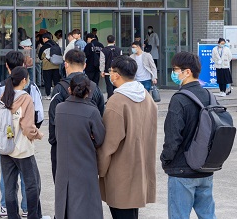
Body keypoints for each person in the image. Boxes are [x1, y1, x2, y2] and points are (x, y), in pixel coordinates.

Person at [98, 55, 158, 219]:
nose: (110, 74)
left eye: (111, 71)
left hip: (120, 173)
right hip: (141, 168)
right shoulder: (145, 95)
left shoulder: (117, 101)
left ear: (116, 75)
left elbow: (109, 144)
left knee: (121, 213)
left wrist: (100, 169)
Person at [0, 51, 45, 217]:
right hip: (22, 148)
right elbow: (27, 127)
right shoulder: (26, 97)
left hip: (6, 146)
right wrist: (37, 134)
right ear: (24, 80)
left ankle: (12, 215)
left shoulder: (3, 93)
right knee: (32, 184)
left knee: (9, 185)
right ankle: (32, 214)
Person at [161, 52, 217, 219]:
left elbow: (172, 137)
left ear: (187, 72)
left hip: (181, 169)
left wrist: (166, 160)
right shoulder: (209, 96)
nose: (173, 73)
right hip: (205, 168)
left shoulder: (179, 99)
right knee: (208, 215)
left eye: (175, 69)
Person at [54, 74, 106, 219]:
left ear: (69, 89)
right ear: (88, 92)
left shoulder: (59, 108)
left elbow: (58, 134)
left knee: (64, 206)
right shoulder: (92, 111)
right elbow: (100, 139)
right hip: (85, 165)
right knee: (86, 208)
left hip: (63, 167)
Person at [49, 49, 105, 180]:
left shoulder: (59, 89)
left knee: (63, 186)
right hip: (87, 148)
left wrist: (54, 142)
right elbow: (101, 118)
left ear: (66, 64)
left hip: (63, 148)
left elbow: (53, 120)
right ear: (85, 65)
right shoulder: (95, 88)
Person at [38, 32, 62, 99]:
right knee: (56, 80)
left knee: (47, 81)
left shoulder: (44, 46)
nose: (43, 40)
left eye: (43, 38)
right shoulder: (56, 44)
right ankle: (57, 94)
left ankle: (48, 95)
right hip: (56, 65)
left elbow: (40, 56)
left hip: (47, 66)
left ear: (46, 38)